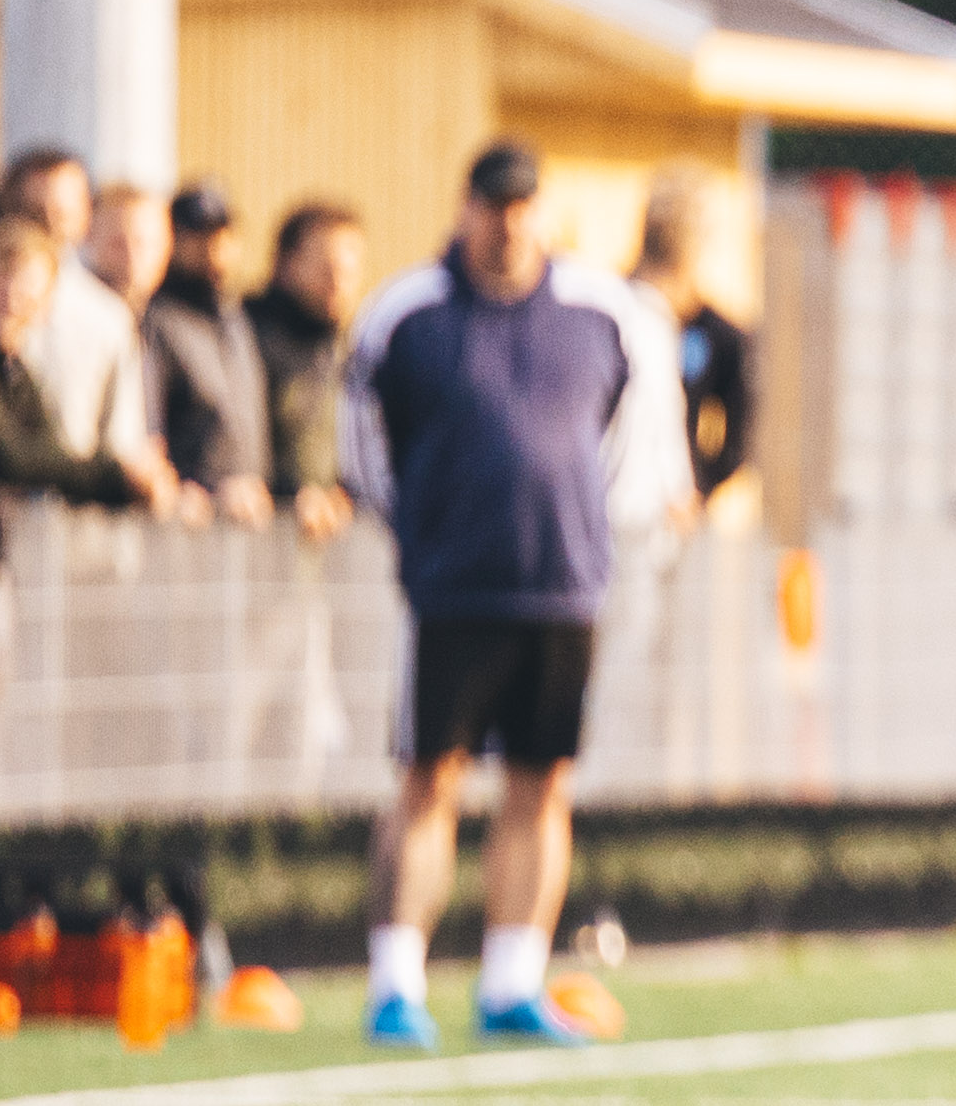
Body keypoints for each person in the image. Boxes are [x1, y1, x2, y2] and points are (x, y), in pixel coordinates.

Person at [342, 141, 633, 1050]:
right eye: (492, 205)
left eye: (521, 205)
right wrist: (422, 532)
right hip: (454, 588)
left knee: (541, 783)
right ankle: (397, 982)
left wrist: (581, 529)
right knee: (430, 779)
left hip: (560, 585)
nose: (507, 224)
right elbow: (363, 442)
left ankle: (513, 978)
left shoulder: (598, 311)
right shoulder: (408, 313)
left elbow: (617, 437)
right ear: (465, 209)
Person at [0, 217, 179, 689]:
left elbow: (52, 451)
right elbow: (7, 452)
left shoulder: (15, 371)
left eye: (27, 286)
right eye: (2, 276)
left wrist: (131, 476)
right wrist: (119, 476)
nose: (11, 296)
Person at [1, 147, 153, 465]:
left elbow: (121, 443)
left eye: (62, 215)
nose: (49, 227)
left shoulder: (108, 318)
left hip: (76, 490)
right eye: (35, 213)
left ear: (85, 217)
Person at [143, 180, 280, 528]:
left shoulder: (237, 318)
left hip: (249, 513)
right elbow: (150, 425)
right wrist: (187, 488)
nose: (213, 248)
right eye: (198, 236)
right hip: (188, 520)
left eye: (222, 234)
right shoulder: (158, 320)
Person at [632, 167, 752, 500]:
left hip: (672, 508)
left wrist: (700, 484)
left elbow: (742, 428)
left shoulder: (718, 334)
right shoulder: (619, 316)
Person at [252, 203, 364, 542]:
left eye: (350, 272)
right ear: (288, 264)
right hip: (262, 535)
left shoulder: (348, 351)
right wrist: (291, 495)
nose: (338, 283)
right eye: (327, 269)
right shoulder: (249, 340)